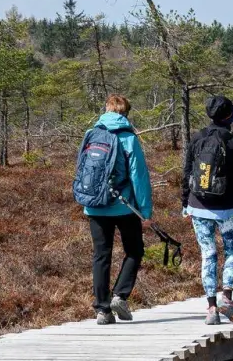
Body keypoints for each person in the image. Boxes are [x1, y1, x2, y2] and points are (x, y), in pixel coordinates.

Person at [182, 95, 233, 325]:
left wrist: (184, 204)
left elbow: (186, 175)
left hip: (198, 207)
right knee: (232, 252)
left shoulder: (197, 138)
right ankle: (227, 297)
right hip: (228, 209)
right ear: (229, 116)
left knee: (208, 255)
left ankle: (212, 308)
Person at [84, 94, 152, 325]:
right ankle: (120, 295)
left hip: (94, 206)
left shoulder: (90, 134)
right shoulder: (128, 138)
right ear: (126, 113)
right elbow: (139, 177)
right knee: (134, 250)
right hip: (125, 207)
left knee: (101, 256)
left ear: (106, 110)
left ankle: (102, 310)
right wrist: (145, 212)